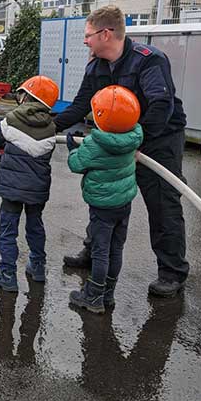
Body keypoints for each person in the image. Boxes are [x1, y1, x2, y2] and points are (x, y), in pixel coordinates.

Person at [54, 5, 190, 298]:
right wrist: (46, 126)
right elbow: (80, 106)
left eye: (89, 35)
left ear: (106, 34)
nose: (85, 40)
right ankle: (93, 254)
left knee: (163, 203)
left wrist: (133, 144)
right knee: (105, 195)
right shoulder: (97, 66)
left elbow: (161, 107)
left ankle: (172, 272)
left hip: (159, 139)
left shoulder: (149, 61)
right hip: (118, 141)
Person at [67, 85, 143, 313]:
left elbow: (76, 165)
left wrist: (73, 149)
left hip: (102, 207)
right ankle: (108, 294)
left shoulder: (94, 144)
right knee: (115, 249)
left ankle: (93, 297)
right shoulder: (132, 138)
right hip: (124, 204)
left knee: (100, 251)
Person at [0, 75, 58, 293]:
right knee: (35, 226)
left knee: (8, 230)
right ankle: (38, 267)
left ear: (27, 96)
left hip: (11, 189)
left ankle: (7, 276)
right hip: (37, 189)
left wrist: (5, 146)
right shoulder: (51, 126)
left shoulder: (11, 119)